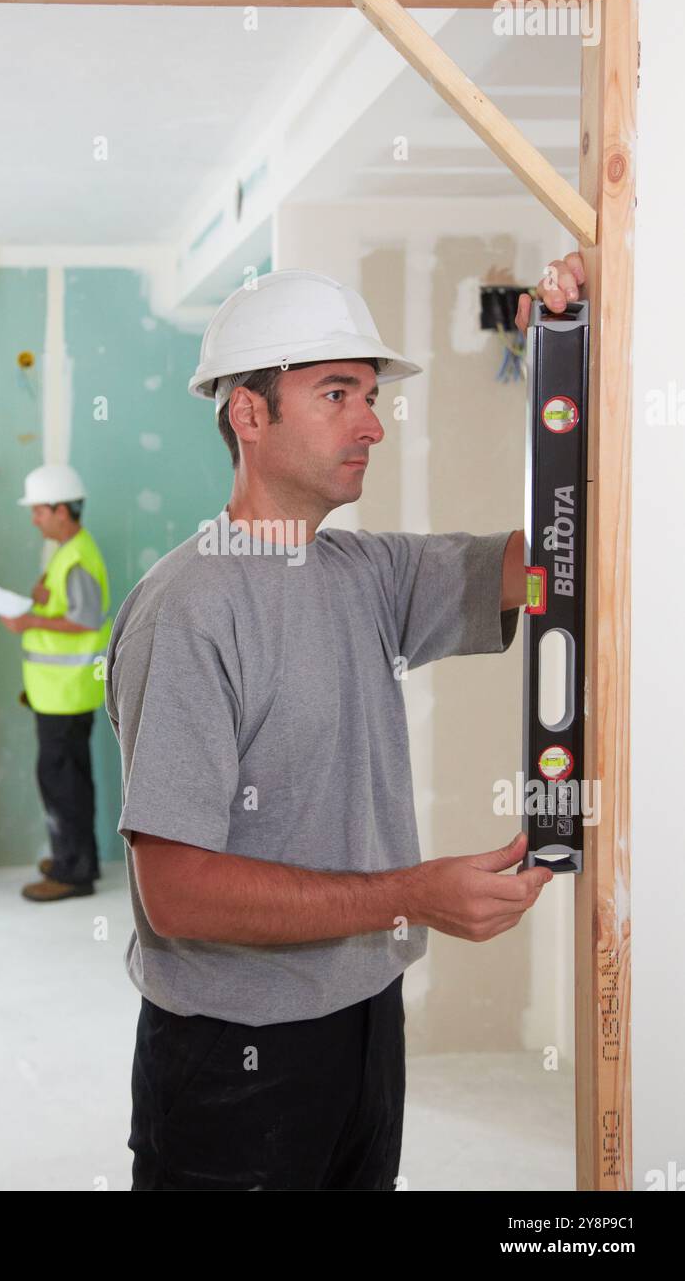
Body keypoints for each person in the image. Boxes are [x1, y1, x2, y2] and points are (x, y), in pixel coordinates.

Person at [104, 254, 583, 1192]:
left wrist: (571, 359)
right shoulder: (193, 607)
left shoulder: (362, 574)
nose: (373, 424)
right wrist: (412, 894)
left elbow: (558, 556)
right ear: (249, 413)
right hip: (234, 1062)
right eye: (337, 394)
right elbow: (179, 892)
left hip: (367, 1022)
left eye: (371, 395)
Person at [0, 464, 112, 903]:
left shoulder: (77, 556)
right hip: (61, 693)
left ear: (62, 510)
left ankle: (73, 872)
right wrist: (43, 604)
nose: (34, 520)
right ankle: (77, 858)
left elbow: (83, 619)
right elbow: (73, 609)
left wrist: (29, 619)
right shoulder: (70, 552)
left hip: (65, 695)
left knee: (62, 783)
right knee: (68, 781)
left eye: (39, 511)